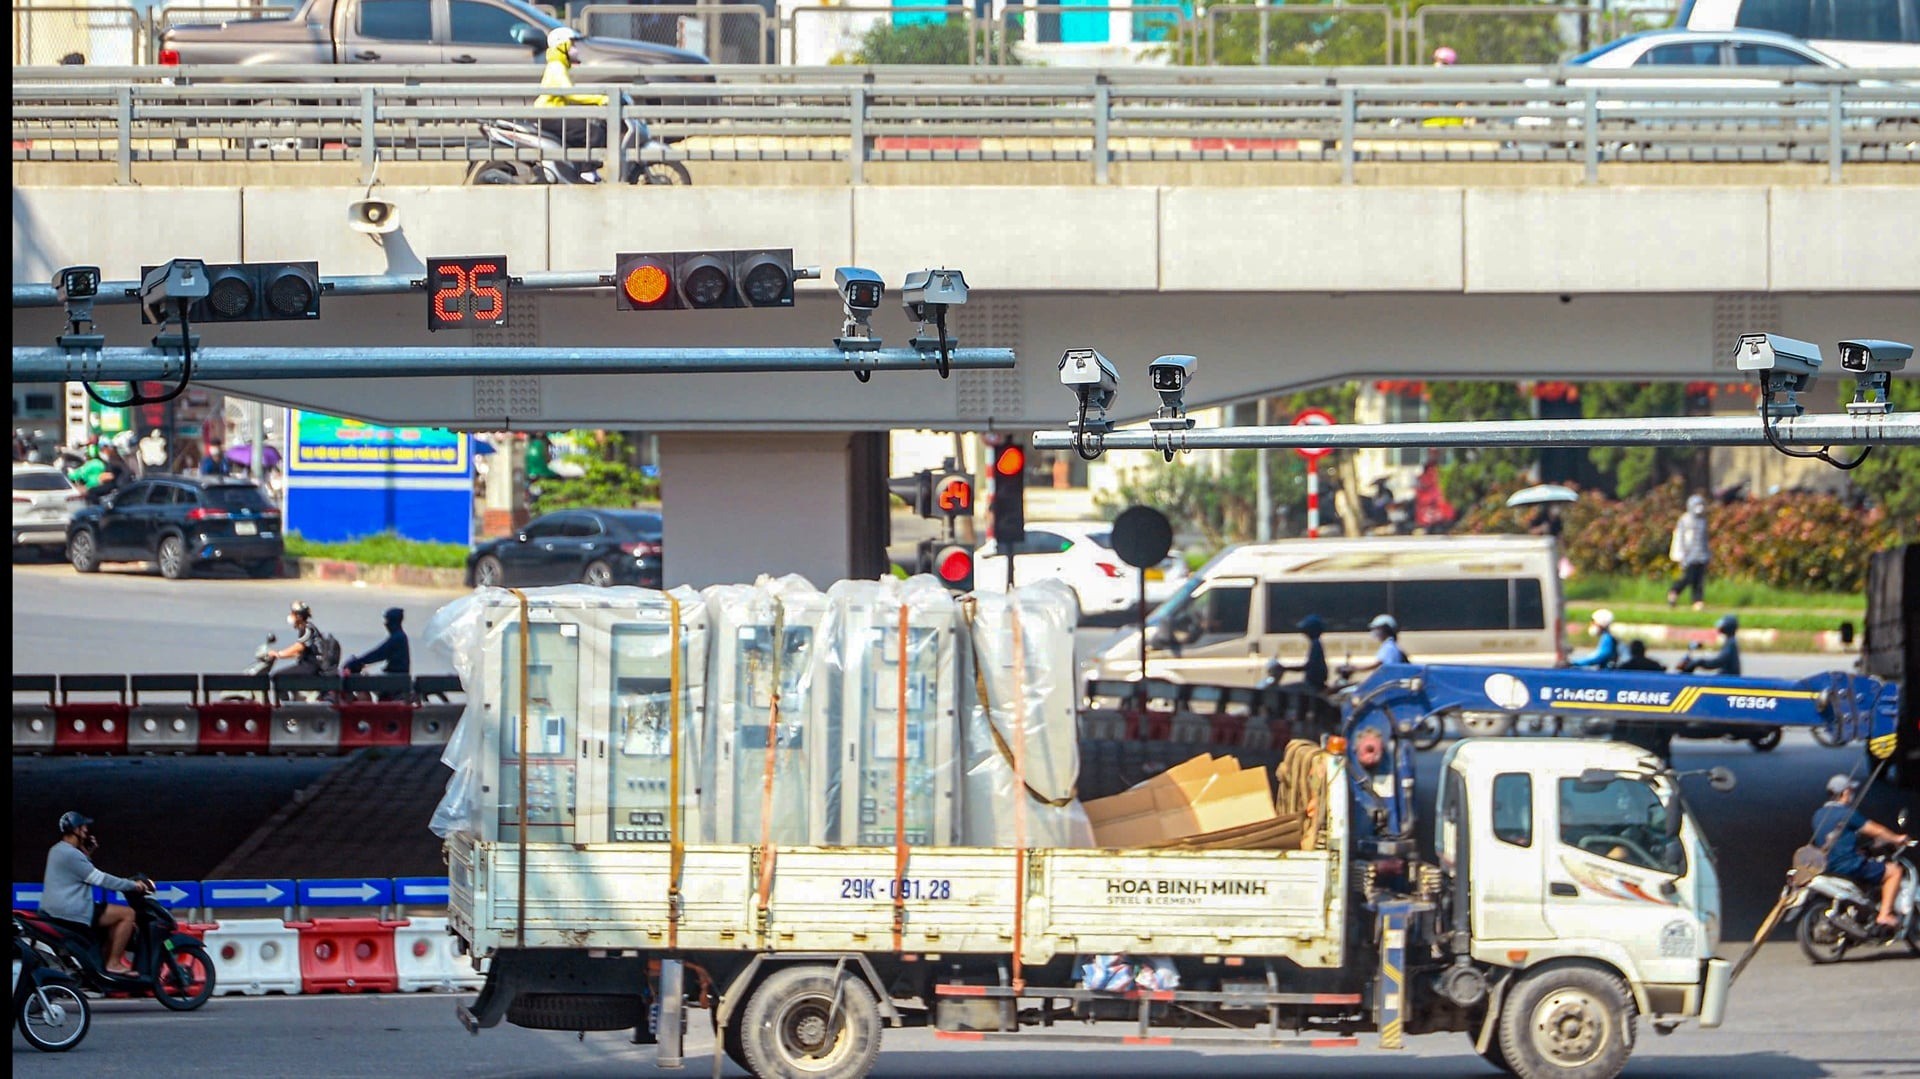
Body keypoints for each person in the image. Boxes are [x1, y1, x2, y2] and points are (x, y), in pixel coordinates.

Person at [43, 812, 152, 972]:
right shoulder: (71, 854)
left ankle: (102, 967)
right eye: (83, 827)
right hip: (72, 910)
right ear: (76, 830)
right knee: (127, 914)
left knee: (110, 918)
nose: (86, 830)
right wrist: (133, 885)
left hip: (57, 909)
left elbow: (79, 871)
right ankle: (113, 964)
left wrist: (87, 853)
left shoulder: (57, 850)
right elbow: (100, 879)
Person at [1810, 775, 1910, 929]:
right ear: (1845, 792)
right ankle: (1884, 914)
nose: (1852, 794)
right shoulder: (1846, 813)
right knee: (1894, 871)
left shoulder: (1818, 814)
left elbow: (1835, 840)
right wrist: (1897, 838)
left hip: (1826, 865)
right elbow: (1876, 830)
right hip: (1849, 865)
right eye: (1851, 790)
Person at [535, 26, 609, 180]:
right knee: (592, 132)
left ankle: (577, 170)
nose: (575, 49)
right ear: (562, 46)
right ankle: (587, 173)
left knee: (583, 130)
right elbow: (571, 93)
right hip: (550, 114)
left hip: (554, 113)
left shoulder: (559, 65)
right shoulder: (557, 67)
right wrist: (601, 99)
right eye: (572, 45)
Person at [344, 608, 410, 698]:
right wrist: (360, 662)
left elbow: (378, 654)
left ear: (392, 622)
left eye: (387, 621)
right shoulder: (399, 637)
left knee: (362, 682)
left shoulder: (398, 638)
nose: (385, 624)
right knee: (366, 679)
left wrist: (356, 662)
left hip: (393, 678)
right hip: (395, 677)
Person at [1667, 494, 1711, 611]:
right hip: (1688, 555)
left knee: (1699, 580)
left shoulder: (1703, 520)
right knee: (1688, 577)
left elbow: (1704, 539)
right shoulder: (1685, 519)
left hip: (1701, 554)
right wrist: (1680, 554)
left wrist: (1708, 553)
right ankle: (1674, 592)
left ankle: (1697, 601)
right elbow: (1680, 537)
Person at [270, 601, 331, 677]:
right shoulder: (307, 627)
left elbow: (299, 647)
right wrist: (281, 655)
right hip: (309, 665)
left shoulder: (307, 629)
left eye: (292, 613)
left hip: (311, 666)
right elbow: (297, 653)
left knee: (276, 676)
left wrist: (279, 654)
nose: (290, 616)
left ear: (299, 616)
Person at [1278, 614, 1330, 694]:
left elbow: (1308, 666)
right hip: (1312, 683)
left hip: (1313, 685)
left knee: (1285, 691)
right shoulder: (1315, 644)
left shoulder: (1316, 645)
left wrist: (1285, 668)